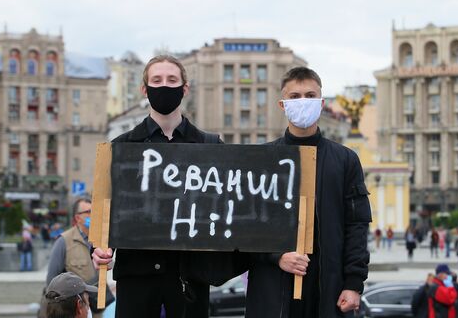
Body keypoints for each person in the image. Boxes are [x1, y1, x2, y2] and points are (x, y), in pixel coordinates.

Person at [92, 55, 231, 318]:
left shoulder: (210, 148)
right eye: (157, 80)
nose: (164, 86)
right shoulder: (122, 148)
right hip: (137, 279)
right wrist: (97, 249)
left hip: (190, 278)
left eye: (172, 80)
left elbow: (226, 211)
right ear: (145, 90)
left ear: (184, 89)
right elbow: (105, 209)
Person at [245, 67, 371, 317]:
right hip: (274, 290)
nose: (303, 101)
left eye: (310, 95)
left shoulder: (345, 160)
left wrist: (354, 284)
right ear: (282, 104)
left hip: (328, 288)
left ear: (321, 103)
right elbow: (247, 226)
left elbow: (357, 225)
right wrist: (276, 256)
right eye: (295, 96)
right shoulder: (261, 159)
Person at [44, 198, 109, 317]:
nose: (93, 215)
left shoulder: (101, 241)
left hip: (96, 308)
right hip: (75, 309)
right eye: (89, 211)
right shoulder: (64, 241)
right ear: (77, 218)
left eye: (95, 211)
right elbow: (51, 280)